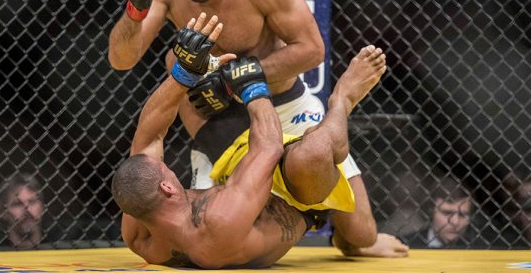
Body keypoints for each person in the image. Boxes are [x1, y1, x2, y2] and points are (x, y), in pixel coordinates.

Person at [108, 0, 407, 257]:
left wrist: (238, 79)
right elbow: (121, 59)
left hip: (282, 104)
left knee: (361, 237)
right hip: (219, 120)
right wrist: (135, 12)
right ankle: (302, 185)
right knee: (176, 62)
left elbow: (311, 50)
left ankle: (338, 115)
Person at [112, 14, 403, 268]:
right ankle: (342, 100)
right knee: (319, 163)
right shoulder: (217, 225)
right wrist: (253, 85)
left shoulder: (138, 232)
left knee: (180, 81)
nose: (167, 165)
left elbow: (149, 135)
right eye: (165, 170)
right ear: (166, 187)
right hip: (297, 198)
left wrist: (184, 73)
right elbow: (269, 147)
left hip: (243, 177)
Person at [401, 178, 474, 249]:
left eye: (462, 215)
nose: (455, 222)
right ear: (431, 212)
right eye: (447, 213)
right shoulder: (404, 245)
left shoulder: (480, 247)